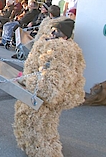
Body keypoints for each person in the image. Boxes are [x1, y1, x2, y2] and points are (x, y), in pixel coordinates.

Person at [13, 18, 85, 157]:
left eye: (56, 32)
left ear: (65, 36)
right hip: (38, 93)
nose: (52, 34)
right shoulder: (53, 45)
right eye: (52, 31)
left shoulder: (59, 51)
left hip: (42, 96)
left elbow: (50, 84)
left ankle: (46, 153)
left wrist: (28, 81)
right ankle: (34, 148)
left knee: (39, 126)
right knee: (41, 125)